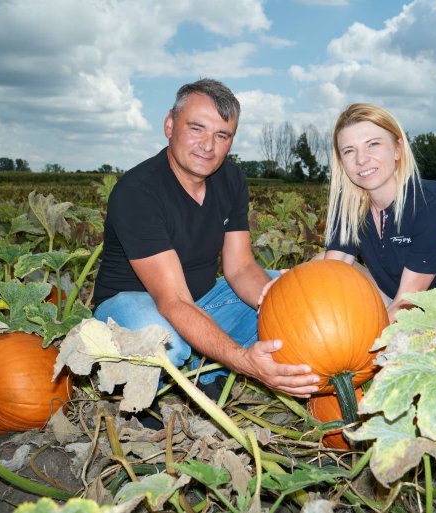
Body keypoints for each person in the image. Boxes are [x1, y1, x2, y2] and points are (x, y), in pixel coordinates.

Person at [92, 78, 320, 400]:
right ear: (170, 124)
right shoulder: (138, 192)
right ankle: (149, 391)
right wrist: (244, 362)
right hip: (132, 309)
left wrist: (276, 301)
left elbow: (240, 269)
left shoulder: (231, 179)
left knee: (281, 292)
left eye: (222, 135)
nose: (208, 146)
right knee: (161, 335)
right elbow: (173, 301)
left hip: (200, 305)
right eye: (196, 129)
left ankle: (203, 364)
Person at [319, 103, 436, 323]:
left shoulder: (434, 204)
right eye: (349, 151)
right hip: (392, 301)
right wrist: (292, 287)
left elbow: (408, 302)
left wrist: (360, 346)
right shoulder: (350, 205)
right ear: (341, 161)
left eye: (373, 144)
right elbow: (334, 266)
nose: (361, 159)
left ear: (398, 149)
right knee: (318, 266)